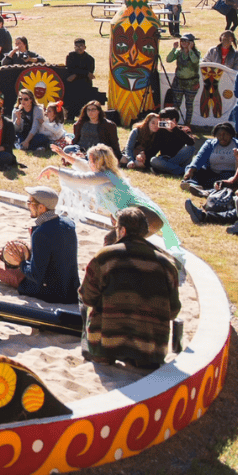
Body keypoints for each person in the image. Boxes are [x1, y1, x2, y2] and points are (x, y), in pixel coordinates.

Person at [79, 207, 180, 371]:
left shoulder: (104, 257)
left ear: (122, 230)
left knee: (85, 306)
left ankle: (97, 352)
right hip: (151, 349)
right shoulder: (167, 265)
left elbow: (88, 297)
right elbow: (174, 311)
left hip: (107, 344)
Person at [43, 144, 182, 255]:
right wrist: (63, 155)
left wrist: (52, 168)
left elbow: (79, 177)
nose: (88, 163)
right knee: (127, 244)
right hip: (150, 217)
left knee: (111, 241)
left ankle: (101, 266)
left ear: (99, 162)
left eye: (91, 160)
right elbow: (85, 168)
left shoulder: (105, 176)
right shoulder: (109, 172)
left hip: (146, 217)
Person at [0, 185, 80, 304]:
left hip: (49, 292)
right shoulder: (68, 223)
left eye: (29, 202)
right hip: (70, 290)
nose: (27, 205)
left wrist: (21, 262)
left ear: (41, 207)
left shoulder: (41, 233)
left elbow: (35, 275)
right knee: (11, 248)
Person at [181, 122, 238, 196]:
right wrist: (190, 170)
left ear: (231, 135)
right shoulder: (210, 144)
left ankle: (207, 191)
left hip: (229, 175)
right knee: (192, 169)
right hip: (211, 173)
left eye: (225, 134)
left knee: (227, 182)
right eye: (219, 135)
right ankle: (193, 185)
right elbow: (199, 158)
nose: (222, 137)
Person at [148, 107, 196, 176]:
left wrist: (175, 129)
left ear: (174, 120)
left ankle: (165, 169)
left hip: (180, 159)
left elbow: (191, 142)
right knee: (153, 160)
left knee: (191, 148)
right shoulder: (161, 131)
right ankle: (182, 171)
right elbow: (154, 149)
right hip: (165, 159)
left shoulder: (184, 129)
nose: (162, 122)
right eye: (162, 120)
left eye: (165, 119)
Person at [165, 34, 200, 126]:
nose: (184, 43)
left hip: (191, 83)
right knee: (176, 105)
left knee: (189, 105)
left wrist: (190, 50)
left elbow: (195, 61)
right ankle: (172, 124)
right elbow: (168, 60)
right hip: (178, 82)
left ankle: (187, 124)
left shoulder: (196, 53)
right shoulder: (178, 52)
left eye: (186, 41)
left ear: (191, 42)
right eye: (182, 41)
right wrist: (174, 49)